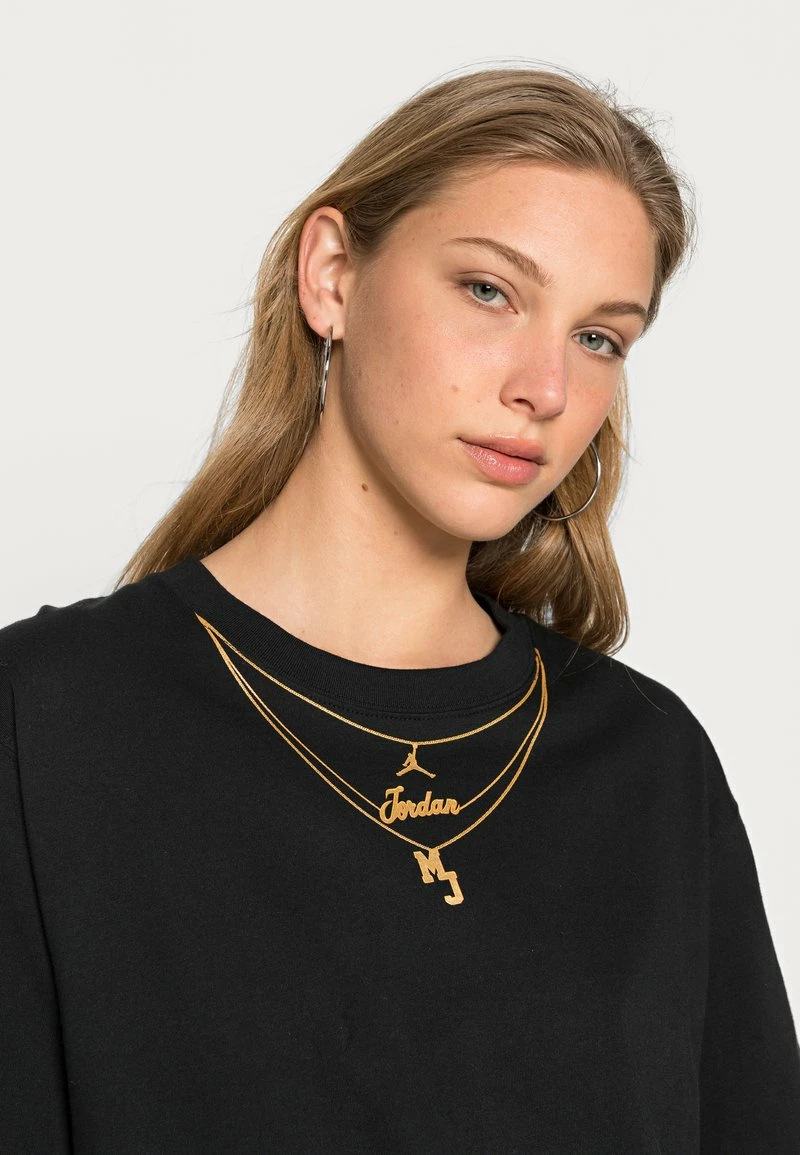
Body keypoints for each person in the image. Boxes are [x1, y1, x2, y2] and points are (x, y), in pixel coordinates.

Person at [1, 63, 799, 1154]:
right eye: (489, 291)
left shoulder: (651, 768)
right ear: (332, 275)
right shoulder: (43, 725)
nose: (544, 388)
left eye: (598, 337)